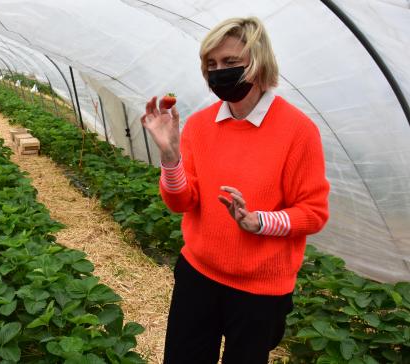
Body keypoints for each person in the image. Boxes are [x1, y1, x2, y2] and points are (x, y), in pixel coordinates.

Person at [141, 17, 330, 363]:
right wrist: (170, 157)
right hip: (198, 274)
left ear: (258, 63)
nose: (218, 72)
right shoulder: (199, 125)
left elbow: (313, 213)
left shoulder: (298, 131)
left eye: (230, 62)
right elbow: (183, 200)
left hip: (260, 289)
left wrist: (260, 222)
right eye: (211, 64)